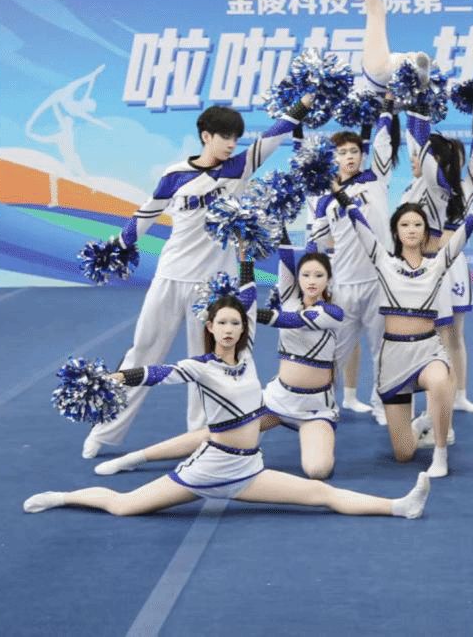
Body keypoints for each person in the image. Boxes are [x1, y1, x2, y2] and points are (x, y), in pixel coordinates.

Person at [24, 296, 430, 518]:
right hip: (205, 470)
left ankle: (399, 506)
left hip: (248, 471)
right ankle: (64, 496)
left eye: (236, 323)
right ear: (210, 328)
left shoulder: (248, 358)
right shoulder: (199, 367)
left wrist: (244, 249)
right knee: (124, 505)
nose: (230, 329)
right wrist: (113, 378)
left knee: (321, 493)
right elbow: (155, 373)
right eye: (222, 323)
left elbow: (248, 297)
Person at [80, 95, 314, 459]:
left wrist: (304, 103)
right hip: (171, 276)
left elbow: (273, 135)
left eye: (236, 138)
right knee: (143, 350)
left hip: (214, 288)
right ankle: (105, 431)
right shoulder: (174, 175)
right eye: (225, 137)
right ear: (206, 136)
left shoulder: (238, 169)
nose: (232, 144)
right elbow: (145, 216)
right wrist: (117, 248)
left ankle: (201, 438)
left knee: (207, 360)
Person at [93, 235, 345, 480]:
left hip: (314, 409)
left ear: (328, 279)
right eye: (306, 275)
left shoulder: (332, 312)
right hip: (276, 400)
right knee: (213, 434)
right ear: (297, 278)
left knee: (317, 470)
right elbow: (285, 257)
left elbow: (288, 320)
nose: (312, 281)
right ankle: (134, 458)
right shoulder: (289, 297)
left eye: (319, 275)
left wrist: (238, 312)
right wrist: (248, 256)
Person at [335, 185, 473, 478]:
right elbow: (358, 220)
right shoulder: (383, 261)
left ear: (425, 232)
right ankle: (421, 425)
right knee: (404, 454)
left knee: (440, 381)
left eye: (417, 225)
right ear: (396, 232)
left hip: (427, 350)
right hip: (393, 357)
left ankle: (440, 453)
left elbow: (466, 228)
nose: (411, 230)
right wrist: (337, 190)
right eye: (405, 225)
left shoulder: (438, 264)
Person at [307, 107, 399, 420]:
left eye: (354, 151)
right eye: (343, 152)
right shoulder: (325, 200)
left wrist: (386, 106)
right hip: (343, 285)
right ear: (333, 158)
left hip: (378, 283)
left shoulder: (377, 178)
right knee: (335, 351)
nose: (350, 157)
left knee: (382, 350)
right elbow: (317, 244)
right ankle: (325, 406)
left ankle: (381, 407)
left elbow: (384, 141)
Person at [401, 107, 473, 424]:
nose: (455, 162)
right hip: (424, 266)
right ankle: (433, 398)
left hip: (453, 267)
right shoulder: (421, 186)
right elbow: (416, 143)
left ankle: (459, 395)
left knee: (455, 336)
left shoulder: (461, 188)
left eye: (458, 157)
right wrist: (415, 107)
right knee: (429, 336)